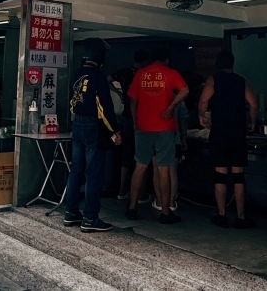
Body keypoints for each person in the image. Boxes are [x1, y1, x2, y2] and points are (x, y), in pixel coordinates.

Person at [64, 38, 121, 233]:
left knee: (75, 171)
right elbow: (104, 107)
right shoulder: (98, 77)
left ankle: (70, 213)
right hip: (93, 127)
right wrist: (115, 130)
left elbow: (72, 101)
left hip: (77, 124)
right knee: (94, 174)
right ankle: (89, 218)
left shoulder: (76, 74)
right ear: (99, 56)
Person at [126, 46, 188, 224]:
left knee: (140, 167)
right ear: (167, 59)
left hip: (143, 127)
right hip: (164, 128)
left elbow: (133, 99)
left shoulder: (141, 74)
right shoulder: (170, 73)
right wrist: (171, 107)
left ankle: (132, 207)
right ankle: (165, 211)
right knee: (164, 169)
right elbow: (185, 90)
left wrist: (135, 121)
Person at [198, 50, 259, 228]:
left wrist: (202, 115)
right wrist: (252, 122)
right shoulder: (241, 81)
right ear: (232, 63)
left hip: (220, 132)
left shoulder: (213, 79)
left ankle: (221, 215)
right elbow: (253, 104)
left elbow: (203, 100)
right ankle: (241, 217)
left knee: (220, 174)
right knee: (239, 175)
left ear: (218, 63)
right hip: (238, 133)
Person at [110, 48, 146, 201]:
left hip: (126, 117)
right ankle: (141, 193)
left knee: (126, 155)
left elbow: (107, 79)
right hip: (142, 119)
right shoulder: (144, 76)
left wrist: (118, 93)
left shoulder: (124, 72)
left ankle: (121, 189)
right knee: (142, 158)